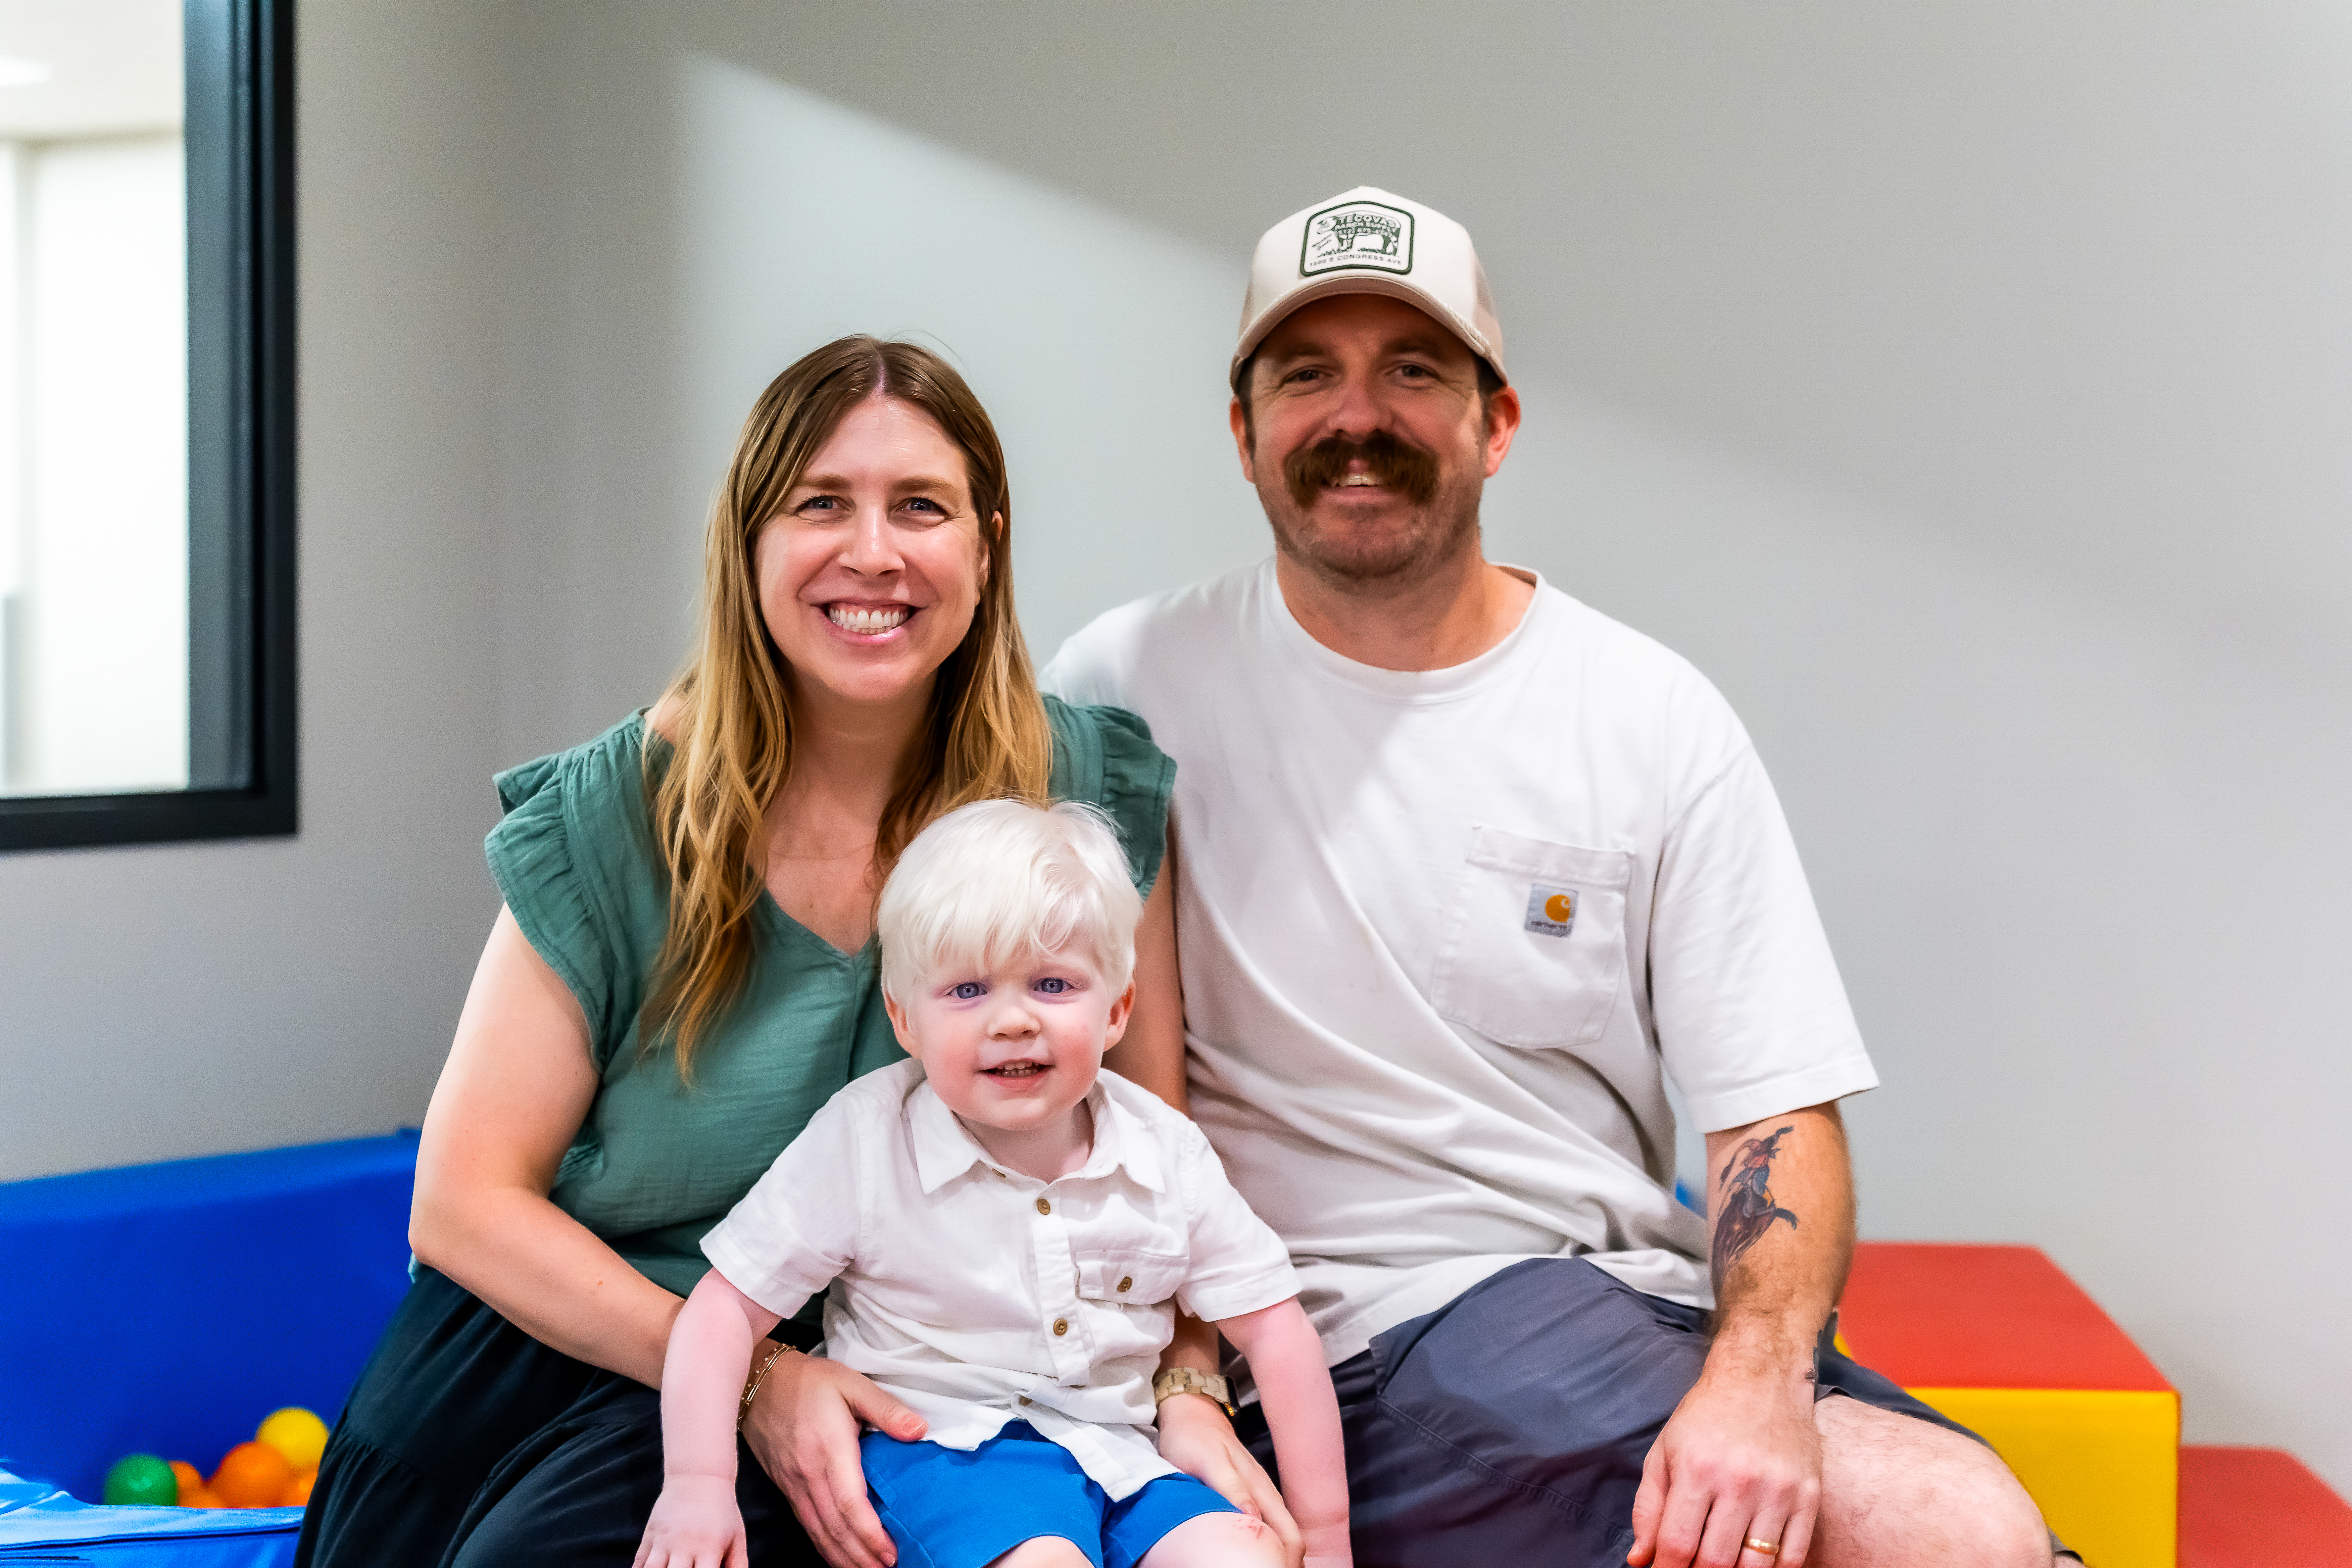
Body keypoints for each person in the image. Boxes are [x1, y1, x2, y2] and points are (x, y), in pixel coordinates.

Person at [1042, 188, 2065, 1568]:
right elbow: (1051, 1066)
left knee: (1978, 1527)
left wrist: (1759, 1384)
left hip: (1606, 1308)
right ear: (1242, 434)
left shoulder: (1647, 714)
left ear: (1496, 422)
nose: (1360, 417)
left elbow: (1779, 1118)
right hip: (1323, 1344)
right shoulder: (1126, 688)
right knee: (1951, 1533)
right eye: (1307, 376)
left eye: (1413, 370)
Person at [295, 337, 1275, 1568]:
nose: (872, 553)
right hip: (588, 1346)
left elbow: (1155, 1162)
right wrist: (753, 1378)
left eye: (919, 506)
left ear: (986, 541)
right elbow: (462, 1200)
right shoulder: (619, 815)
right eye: (821, 504)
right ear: (747, 541)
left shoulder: (1083, 793)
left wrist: (1187, 1386)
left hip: (940, 1367)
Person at [634, 800, 1350, 1568]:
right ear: (906, 1019)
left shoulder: (1163, 1150)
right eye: (968, 991)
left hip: (1124, 1455)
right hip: (947, 1454)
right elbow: (720, 1310)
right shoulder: (869, 1138)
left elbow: (1277, 1330)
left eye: (1051, 984)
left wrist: (1331, 1535)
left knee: (1243, 1556)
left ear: (1116, 1009)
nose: (1012, 1021)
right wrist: (697, 1484)